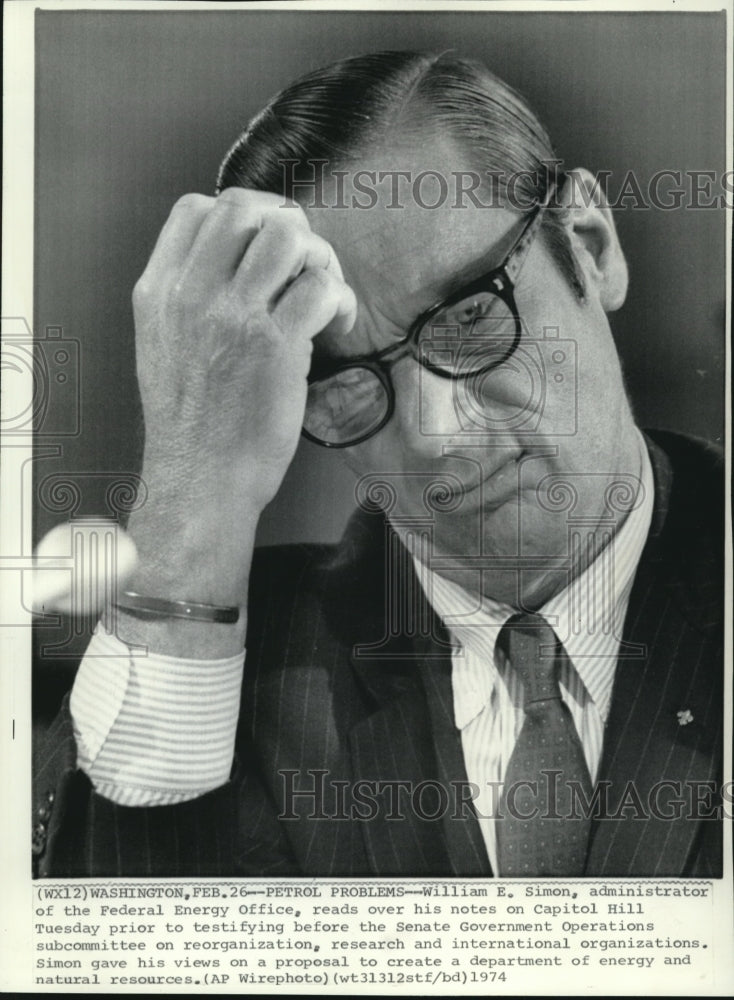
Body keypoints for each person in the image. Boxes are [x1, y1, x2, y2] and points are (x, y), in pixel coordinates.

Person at [33, 51, 723, 878]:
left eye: (470, 316)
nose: (437, 437)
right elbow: (116, 954)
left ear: (590, 245)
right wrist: (192, 489)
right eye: (343, 381)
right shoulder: (234, 671)